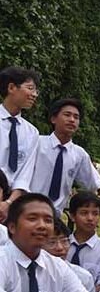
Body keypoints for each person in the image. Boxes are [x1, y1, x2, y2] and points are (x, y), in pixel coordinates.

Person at [30, 99, 100, 216]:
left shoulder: (79, 154)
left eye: (76, 117)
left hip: (54, 217)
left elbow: (98, 185)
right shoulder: (36, 143)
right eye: (67, 115)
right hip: (27, 211)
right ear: (53, 119)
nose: (72, 120)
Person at [0, 66, 40, 218]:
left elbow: (25, 174)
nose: (34, 94)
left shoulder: (31, 132)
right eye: (30, 88)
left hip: (13, 204)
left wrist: (8, 203)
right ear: (11, 87)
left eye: (36, 90)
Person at [66, 192, 100, 286]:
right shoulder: (62, 245)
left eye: (95, 214)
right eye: (84, 213)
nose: (90, 218)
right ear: (72, 216)